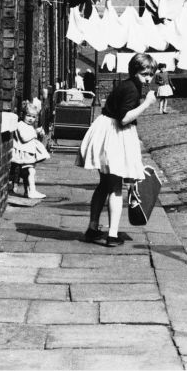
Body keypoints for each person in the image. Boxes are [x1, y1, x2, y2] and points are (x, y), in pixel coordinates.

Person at [76, 52, 157, 247]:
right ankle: (112, 235)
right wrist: (147, 103)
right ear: (134, 71)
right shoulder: (131, 89)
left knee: (104, 185)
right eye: (144, 74)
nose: (148, 79)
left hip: (107, 132)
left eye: (150, 74)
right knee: (115, 186)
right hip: (114, 134)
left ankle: (93, 228)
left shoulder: (130, 85)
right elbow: (124, 118)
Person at [11, 101, 51, 199]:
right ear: (22, 115)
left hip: (28, 154)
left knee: (28, 173)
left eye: (33, 117)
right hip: (24, 154)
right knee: (31, 172)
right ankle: (31, 191)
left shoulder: (28, 126)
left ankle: (28, 191)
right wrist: (35, 132)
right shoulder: (20, 125)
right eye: (28, 116)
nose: (31, 119)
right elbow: (24, 138)